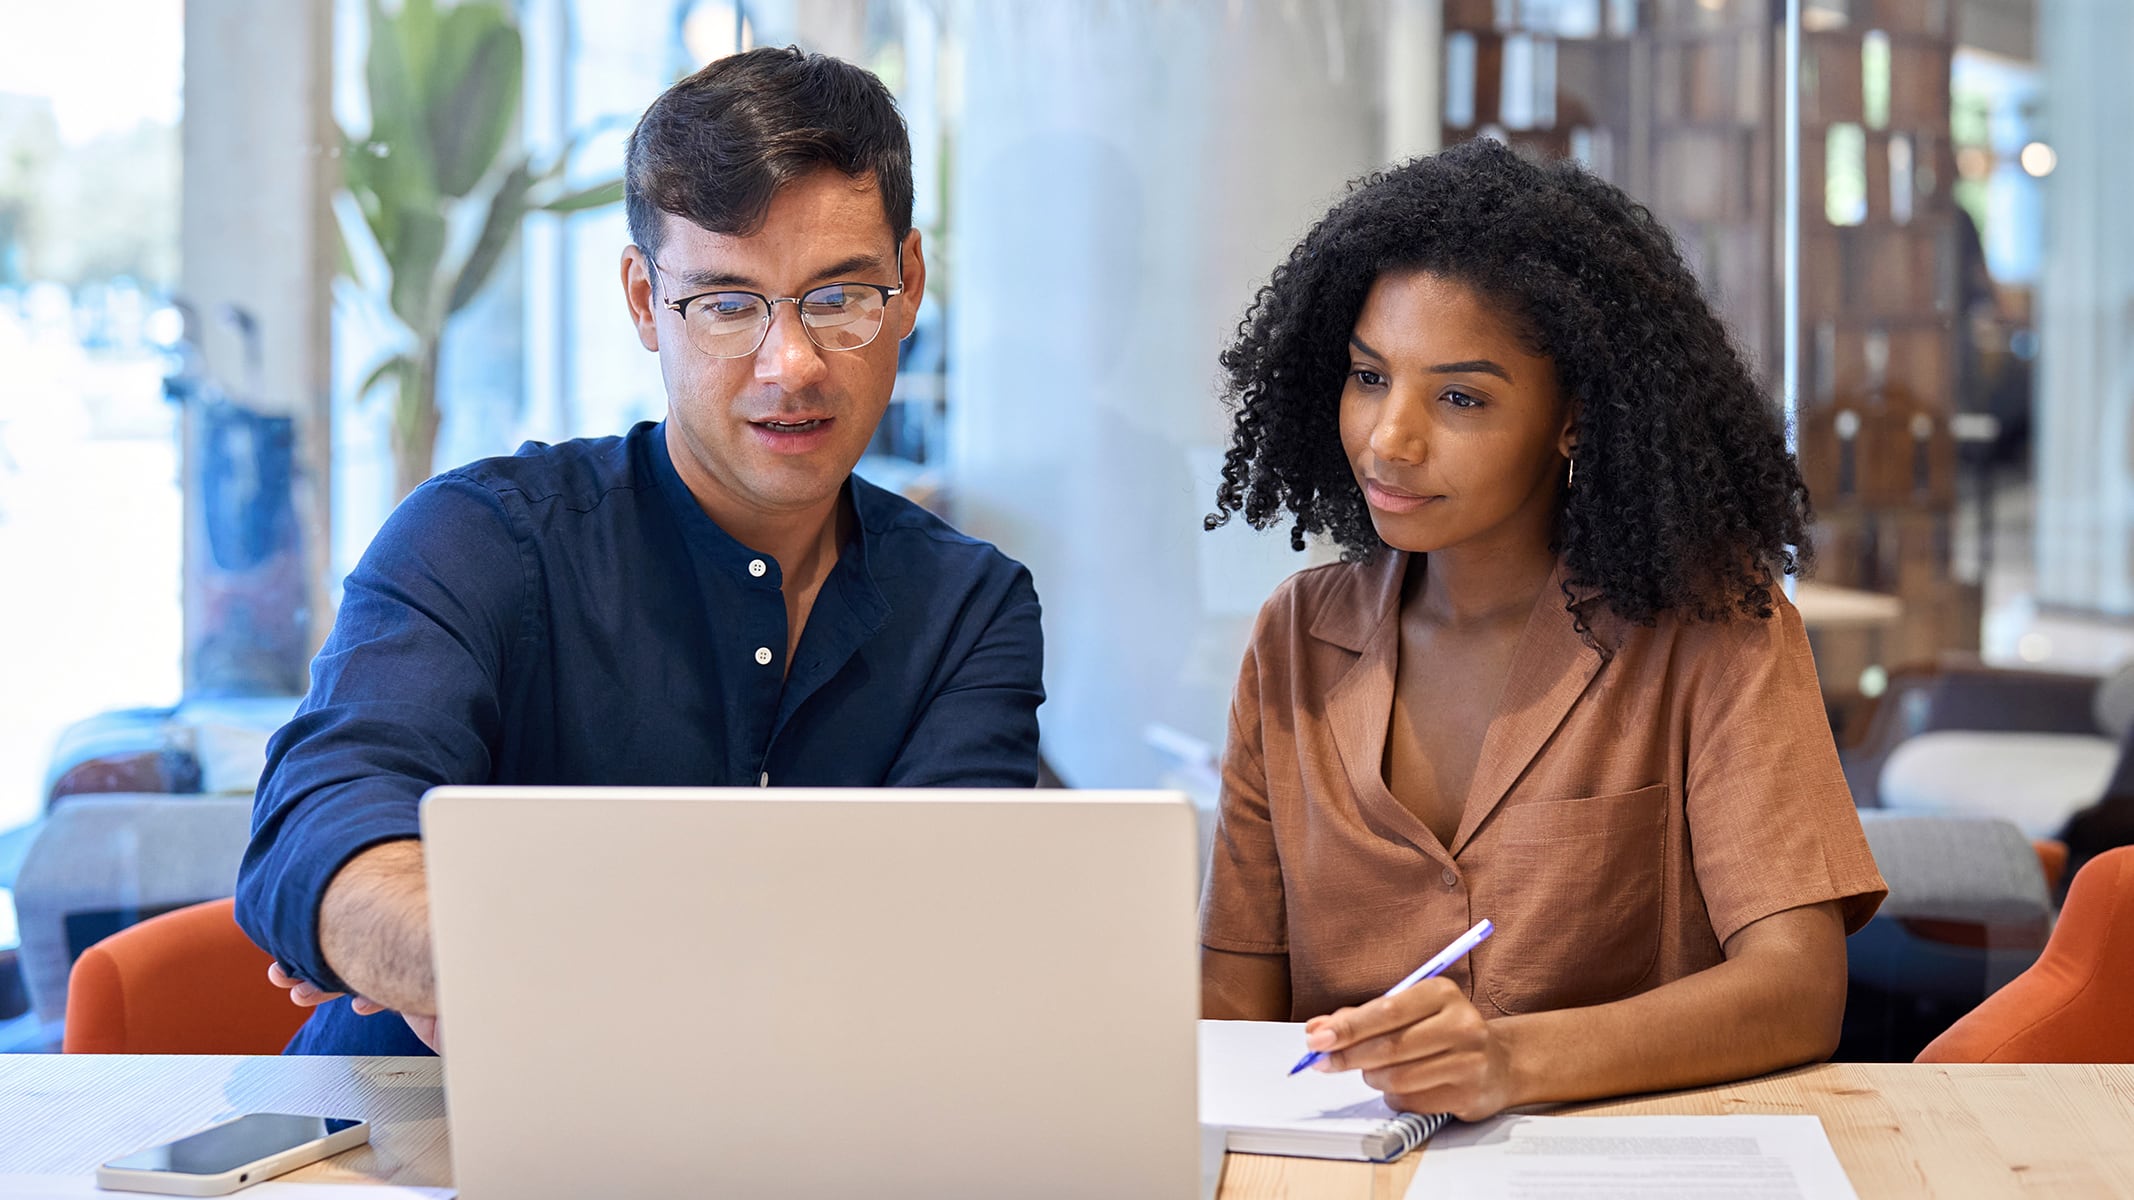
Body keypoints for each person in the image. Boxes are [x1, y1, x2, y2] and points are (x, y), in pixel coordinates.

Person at [235, 47, 1045, 1057]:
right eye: (726, 305)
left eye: (838, 298)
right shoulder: (481, 537)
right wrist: (379, 919)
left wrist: (505, 956)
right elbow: (322, 831)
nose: (788, 366)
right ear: (640, 301)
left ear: (908, 284)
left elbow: (944, 943)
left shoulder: (970, 608)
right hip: (418, 1144)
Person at [1198, 139, 1887, 1121]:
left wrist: (1510, 1061)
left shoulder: (1708, 625)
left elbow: (1797, 988)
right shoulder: (1295, 640)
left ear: (1573, 419)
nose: (1390, 437)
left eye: (1461, 397)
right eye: (1367, 377)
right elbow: (1233, 1001)